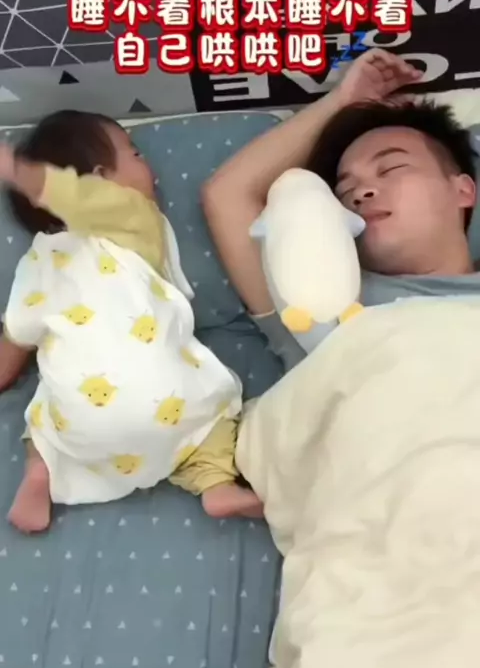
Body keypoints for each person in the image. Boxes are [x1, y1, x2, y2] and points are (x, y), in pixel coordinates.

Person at [0, 110, 262, 534]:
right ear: (101, 181)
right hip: (169, 402)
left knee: (43, 417)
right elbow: (80, 197)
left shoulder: (37, 262)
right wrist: (19, 171)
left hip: (82, 423)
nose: (149, 165)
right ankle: (215, 485)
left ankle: (39, 474)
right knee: (215, 406)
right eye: (135, 153)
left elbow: (13, 343)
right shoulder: (133, 220)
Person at [201, 48, 478, 370]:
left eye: (390, 169)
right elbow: (228, 195)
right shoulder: (313, 298)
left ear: (463, 190)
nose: (361, 192)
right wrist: (344, 100)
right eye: (345, 190)